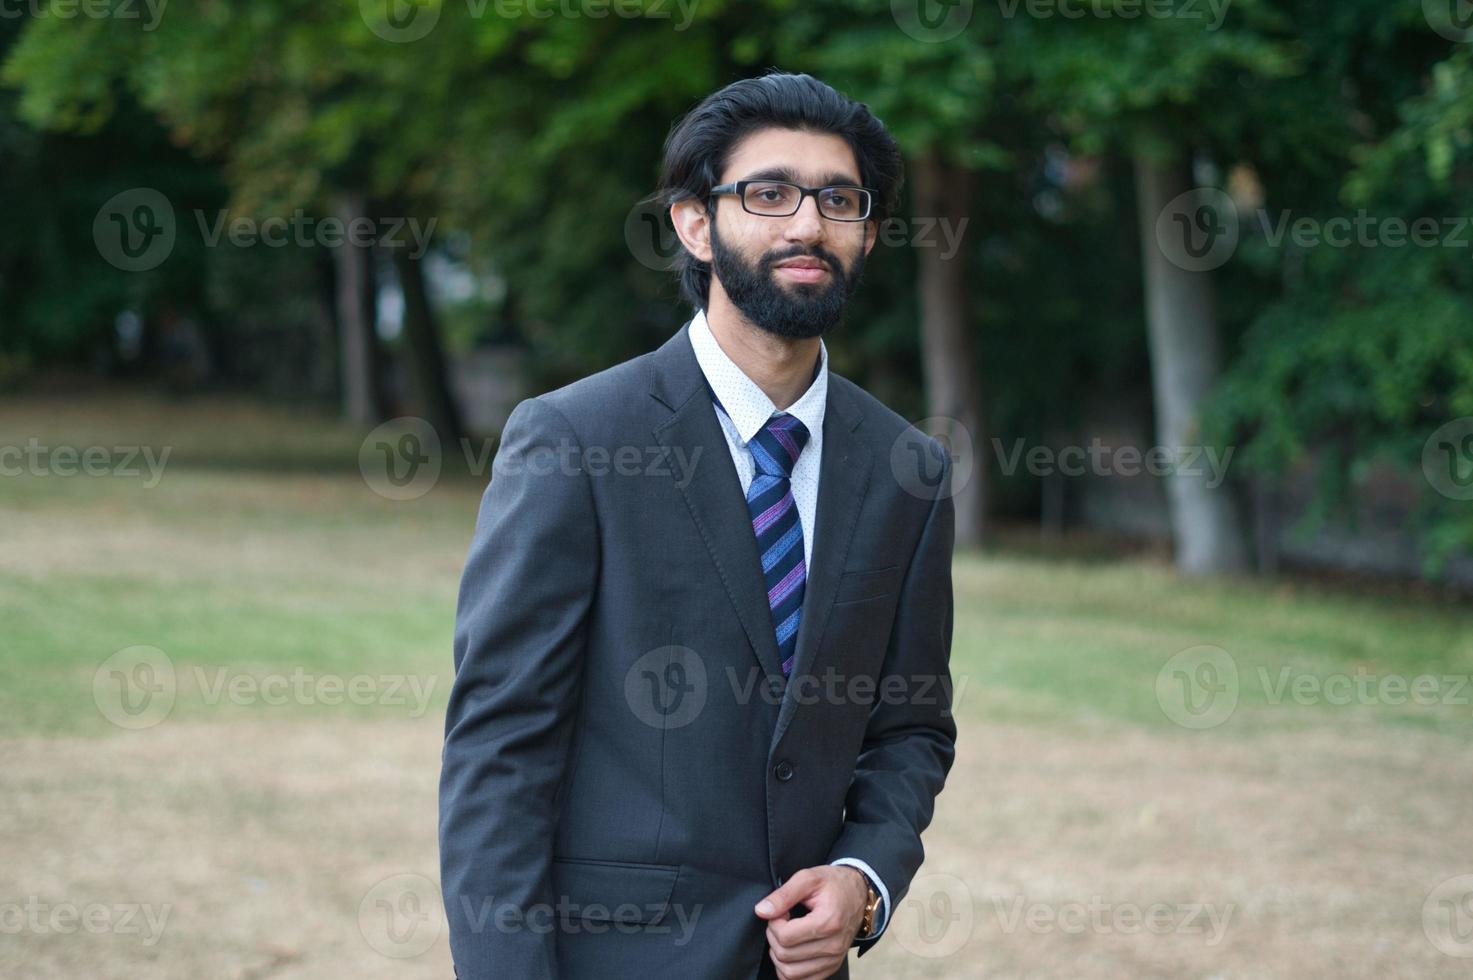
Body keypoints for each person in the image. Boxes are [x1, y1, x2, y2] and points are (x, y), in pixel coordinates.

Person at [440, 70, 958, 980]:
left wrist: (861, 878)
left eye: (838, 199)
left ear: (868, 233)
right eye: (768, 194)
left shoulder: (905, 468)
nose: (806, 224)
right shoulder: (575, 441)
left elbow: (910, 728)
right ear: (693, 223)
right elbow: (500, 753)